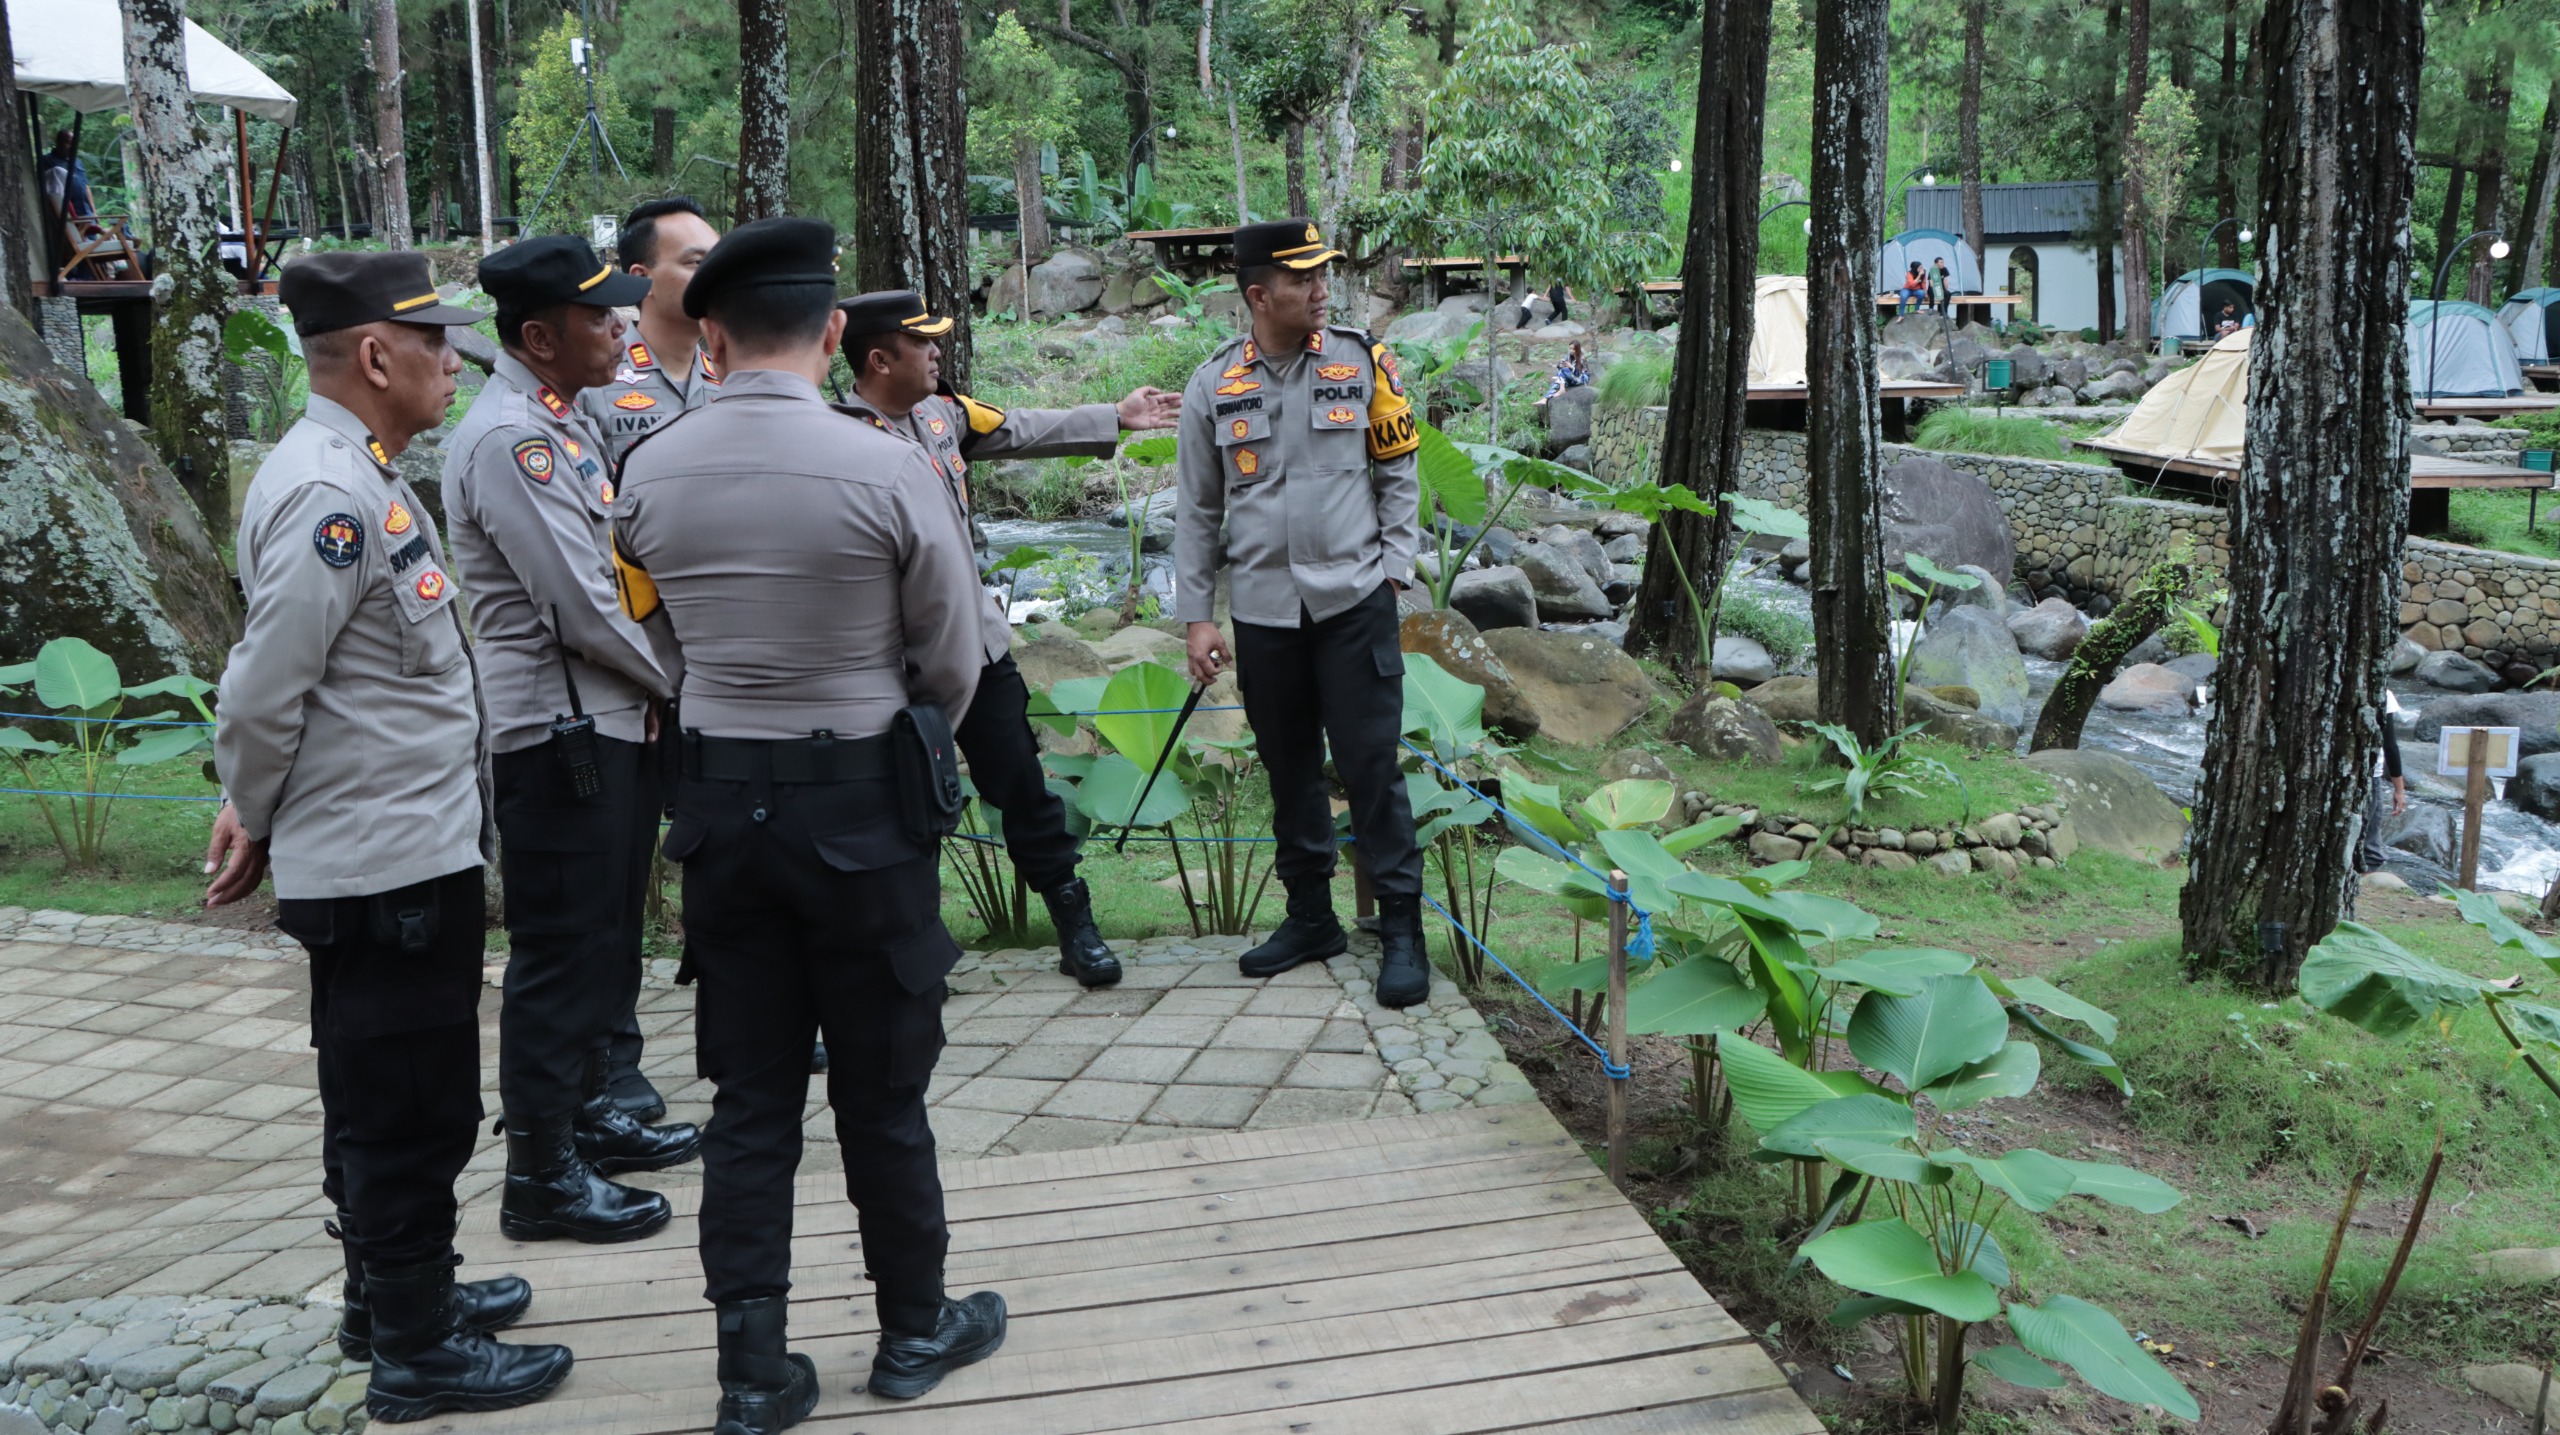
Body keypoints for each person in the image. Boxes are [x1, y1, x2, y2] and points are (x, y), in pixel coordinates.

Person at [610, 217, 1006, 1427]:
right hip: (863, 812)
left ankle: (752, 1367)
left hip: (722, 808)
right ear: (835, 333)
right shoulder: (886, 466)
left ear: (713, 336)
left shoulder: (644, 470)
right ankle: (911, 1328)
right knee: (882, 1093)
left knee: (749, 1101)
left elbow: (654, 636)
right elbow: (953, 657)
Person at [202, 250, 574, 1423]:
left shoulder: (361, 470)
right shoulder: (330, 494)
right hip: (380, 864)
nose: (454, 362)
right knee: (410, 1106)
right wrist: (252, 811)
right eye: (434, 344)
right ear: (374, 355)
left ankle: (394, 1297)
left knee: (388, 1096)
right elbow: (265, 690)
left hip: (405, 849)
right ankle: (417, 1352)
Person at [443, 233, 703, 1246]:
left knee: (604, 936)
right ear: (541, 336)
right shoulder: (517, 441)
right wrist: (683, 687)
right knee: (559, 951)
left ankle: (590, 1110)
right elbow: (583, 607)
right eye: (603, 316)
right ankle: (542, 1170)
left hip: (605, 715)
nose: (624, 327)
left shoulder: (558, 418)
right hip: (562, 732)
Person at [832, 289, 1181, 987]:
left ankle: (1074, 925)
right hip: (886, 665)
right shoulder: (834, 439)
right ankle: (909, 954)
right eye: (923, 343)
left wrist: (1116, 416)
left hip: (977, 650)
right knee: (897, 806)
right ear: (877, 358)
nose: (938, 352)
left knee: (1023, 789)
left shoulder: (940, 415)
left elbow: (1017, 426)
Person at [1173, 218, 1432, 1010]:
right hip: (1262, 613)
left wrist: (1392, 572)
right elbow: (1196, 511)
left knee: (1370, 766)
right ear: (1259, 295)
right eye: (1303, 279)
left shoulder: (1363, 362)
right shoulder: (1213, 385)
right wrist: (1197, 615)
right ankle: (1311, 916)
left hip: (1354, 603)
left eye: (1325, 276)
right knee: (1287, 769)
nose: (1322, 290)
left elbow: (1398, 472)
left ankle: (1401, 930)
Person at [579, 197, 725, 465]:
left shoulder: (730, 379)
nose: (718, 276)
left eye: (720, 262)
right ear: (641, 278)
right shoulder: (591, 380)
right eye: (696, 262)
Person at [2360, 693, 2409, 874]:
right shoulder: (2382, 693)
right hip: (2371, 775)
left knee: (2368, 841)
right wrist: (2399, 790)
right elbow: (2390, 745)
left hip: (2349, 774)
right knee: (2369, 843)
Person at [1538, 341, 1591, 406]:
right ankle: (1545, 399)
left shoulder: (1581, 358)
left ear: (1577, 349)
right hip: (1571, 378)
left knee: (1563, 372)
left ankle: (1561, 388)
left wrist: (1571, 367)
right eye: (1570, 348)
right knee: (1557, 383)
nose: (1571, 351)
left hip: (1581, 380)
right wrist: (1560, 365)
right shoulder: (1568, 356)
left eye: (1573, 349)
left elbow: (1580, 374)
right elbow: (1561, 368)